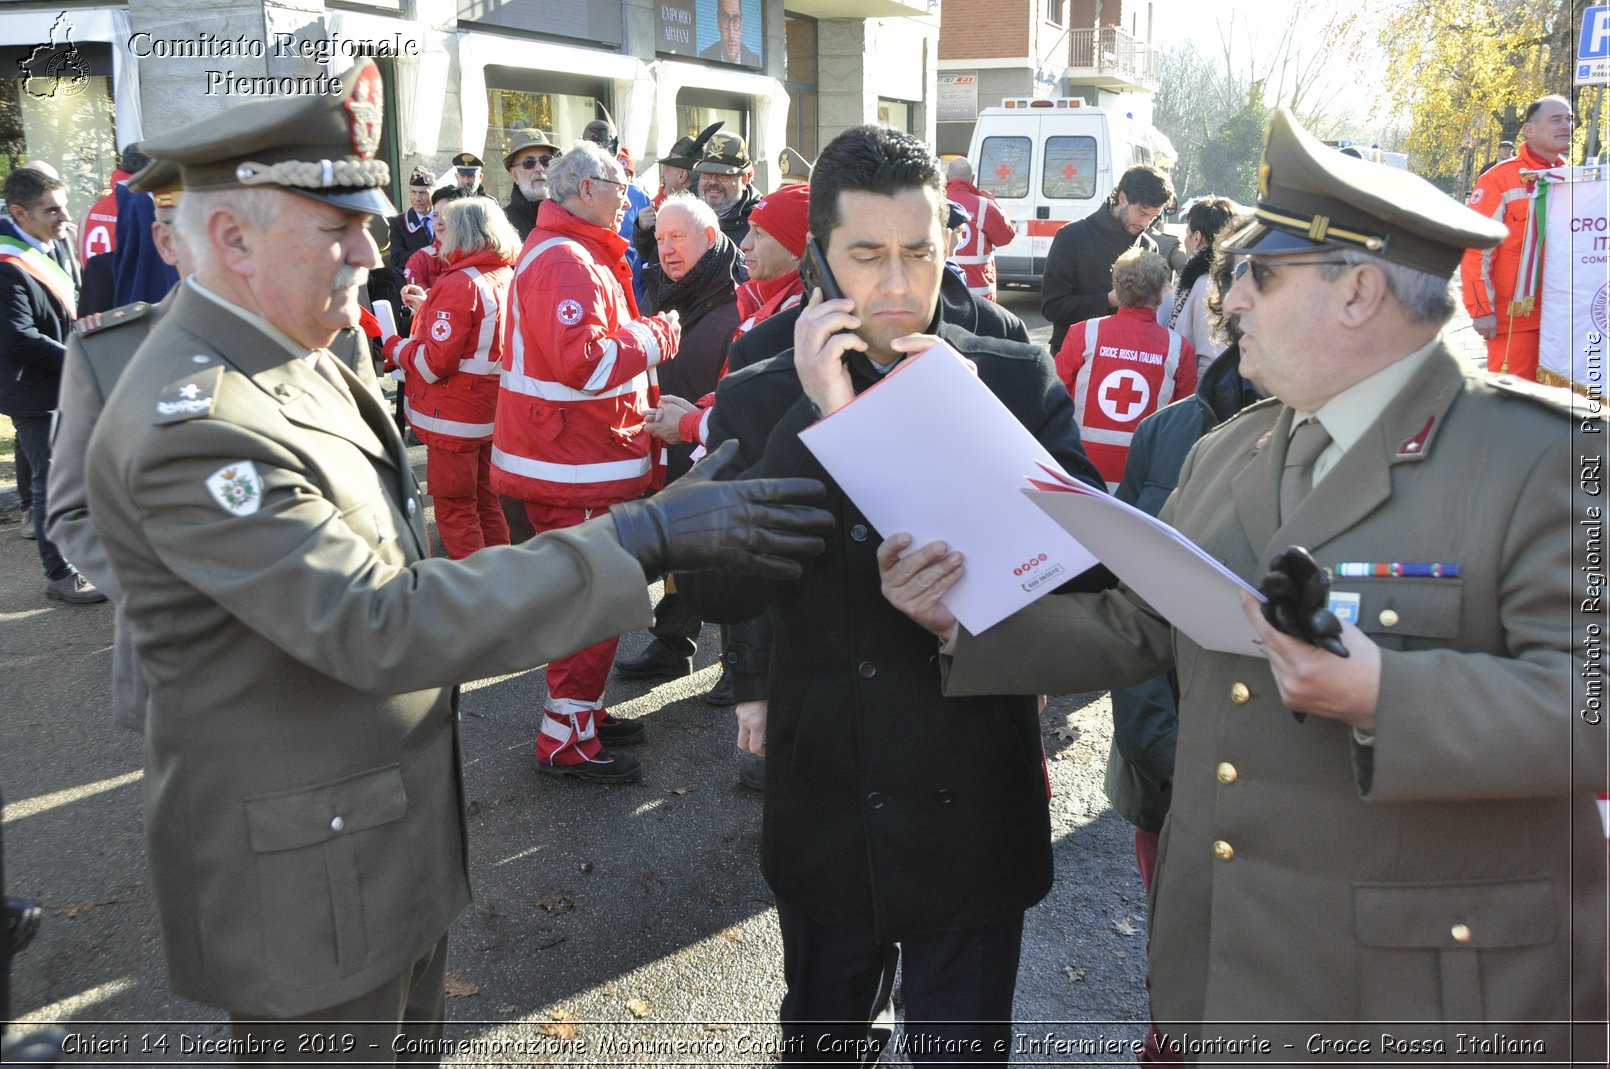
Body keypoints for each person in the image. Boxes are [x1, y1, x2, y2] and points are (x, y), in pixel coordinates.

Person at [82, 62, 830, 1057]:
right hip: (303, 882)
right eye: (337, 228)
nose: (374, 250)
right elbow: (373, 619)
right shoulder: (202, 419)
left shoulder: (290, 356)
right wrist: (638, 538)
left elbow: (398, 549)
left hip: (371, 847)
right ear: (231, 237)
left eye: (369, 221)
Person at [884, 108, 1606, 1059]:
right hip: (1228, 965)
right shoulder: (1232, 449)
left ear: (1356, 291)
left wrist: (1389, 696)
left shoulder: (1556, 457)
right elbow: (1144, 622)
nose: (1228, 303)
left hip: (1422, 995)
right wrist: (960, 617)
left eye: (1258, 276)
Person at [679, 124, 1105, 1063]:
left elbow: (1098, 572)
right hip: (831, 796)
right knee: (823, 1041)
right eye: (867, 256)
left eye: (920, 251)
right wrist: (817, 417)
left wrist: (977, 603)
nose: (900, 284)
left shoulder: (1010, 374)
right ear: (820, 264)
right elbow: (714, 590)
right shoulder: (761, 393)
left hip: (972, 806)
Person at [491, 140, 683, 784]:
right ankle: (565, 739)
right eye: (618, 181)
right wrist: (655, 335)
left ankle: (582, 715)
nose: (628, 192)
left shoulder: (574, 252)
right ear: (581, 189)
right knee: (592, 601)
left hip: (580, 457)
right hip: (573, 466)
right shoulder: (567, 261)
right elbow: (588, 363)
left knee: (595, 599)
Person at [45, 160, 190, 733]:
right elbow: (71, 508)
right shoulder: (110, 352)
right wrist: (170, 595)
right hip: (179, 663)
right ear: (166, 240)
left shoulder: (322, 339)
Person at [614, 193, 743, 688]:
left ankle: (738, 667)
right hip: (669, 441)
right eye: (661, 237)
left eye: (678, 237)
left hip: (714, 447)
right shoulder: (660, 289)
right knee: (680, 549)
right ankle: (673, 645)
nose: (666, 249)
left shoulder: (736, 301)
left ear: (709, 239)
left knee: (725, 553)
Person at [381, 196, 515, 559]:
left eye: (445, 227)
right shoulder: (505, 275)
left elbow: (433, 363)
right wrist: (428, 308)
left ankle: (473, 595)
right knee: (488, 504)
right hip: (490, 412)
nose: (440, 235)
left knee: (456, 510)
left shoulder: (459, 283)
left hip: (454, 419)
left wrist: (394, 345)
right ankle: (501, 583)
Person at [0, 166, 103, 604]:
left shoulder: (53, 244)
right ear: (19, 213)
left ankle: (87, 557)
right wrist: (80, 360)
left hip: (63, 382)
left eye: (64, 206)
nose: (65, 218)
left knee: (76, 476)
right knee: (50, 484)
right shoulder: (7, 264)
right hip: (33, 391)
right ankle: (60, 574)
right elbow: (17, 336)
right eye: (53, 210)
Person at [1054, 247, 1196, 489]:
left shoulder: (1083, 333)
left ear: (1116, 293)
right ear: (1160, 297)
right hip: (1141, 476)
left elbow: (1055, 396)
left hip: (1081, 468)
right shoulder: (1178, 348)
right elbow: (1185, 418)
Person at [1460, 94, 1574, 380]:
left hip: (1564, 318)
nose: (1566, 125)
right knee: (1514, 403)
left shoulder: (1576, 179)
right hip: (1514, 320)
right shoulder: (1499, 179)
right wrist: (1480, 309)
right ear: (1529, 130)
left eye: (1569, 119)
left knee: (1559, 404)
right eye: (1556, 119)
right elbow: (1476, 249)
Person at [1041, 163, 1172, 353]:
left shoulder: (1149, 247)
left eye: (1153, 217)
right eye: (1142, 213)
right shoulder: (1072, 236)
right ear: (1122, 198)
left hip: (1127, 358)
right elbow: (1052, 307)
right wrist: (1107, 300)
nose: (1145, 224)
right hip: (1076, 357)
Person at [1161, 195, 1236, 374]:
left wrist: (1198, 400)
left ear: (1197, 237)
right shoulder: (1219, 278)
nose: (1185, 240)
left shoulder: (1206, 285)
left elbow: (1210, 357)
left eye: (1187, 233)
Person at [943, 157, 1016, 301]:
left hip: (943, 293)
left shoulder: (934, 203)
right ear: (973, 178)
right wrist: (994, 204)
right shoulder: (984, 205)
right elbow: (1006, 236)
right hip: (979, 296)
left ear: (946, 178)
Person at [694, 131, 761, 246]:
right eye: (706, 174)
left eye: (723, 175)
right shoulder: (688, 214)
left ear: (744, 180)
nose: (713, 182)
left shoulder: (759, 225)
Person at [501, 130, 559, 242]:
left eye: (545, 161)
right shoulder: (502, 223)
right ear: (514, 175)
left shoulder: (568, 213)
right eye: (529, 163)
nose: (539, 168)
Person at [387, 166, 437, 270]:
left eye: (423, 193)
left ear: (434, 193)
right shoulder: (398, 222)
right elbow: (397, 259)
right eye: (413, 192)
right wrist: (428, 250)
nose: (417, 198)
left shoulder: (447, 218)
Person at [699, 0, 760, 65]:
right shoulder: (705, 57)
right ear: (718, 22)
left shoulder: (754, 61)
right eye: (725, 20)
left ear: (741, 24)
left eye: (735, 20)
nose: (731, 35)